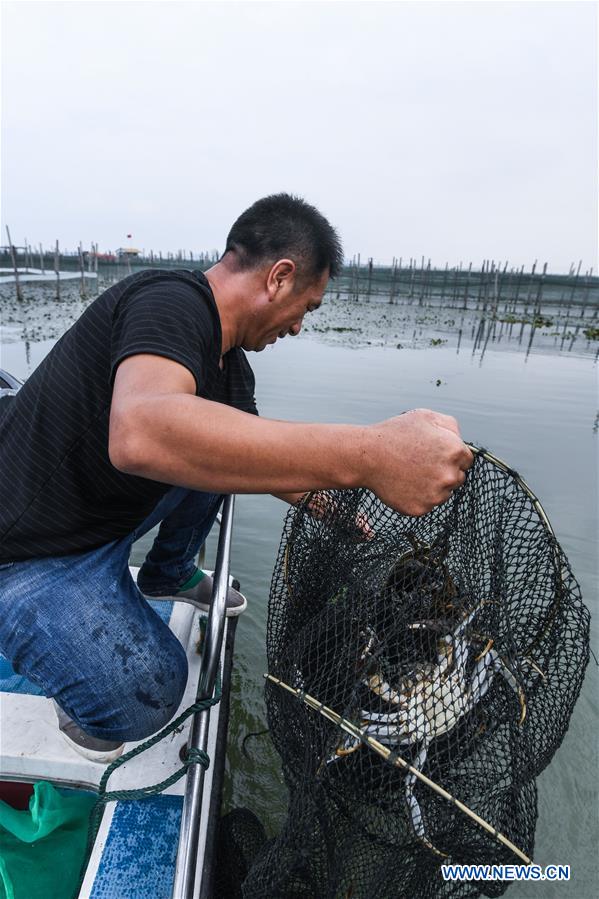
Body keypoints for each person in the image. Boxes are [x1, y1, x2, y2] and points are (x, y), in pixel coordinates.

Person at [0, 194, 472, 762]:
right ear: (279, 277)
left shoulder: (229, 369)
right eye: (308, 307)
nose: (298, 327)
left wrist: (341, 508)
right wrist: (369, 453)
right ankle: (78, 691)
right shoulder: (169, 301)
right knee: (144, 698)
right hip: (25, 553)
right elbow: (141, 432)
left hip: (94, 520)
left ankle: (168, 573)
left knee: (229, 454)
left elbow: (260, 457)